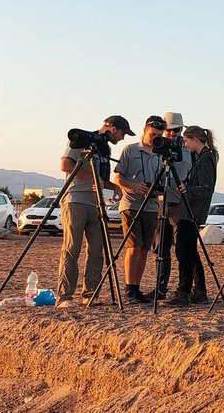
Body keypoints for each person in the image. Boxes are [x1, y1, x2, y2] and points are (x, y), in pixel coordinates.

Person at [54, 116, 130, 308]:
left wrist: (113, 186)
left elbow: (102, 178)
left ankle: (91, 294)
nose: (122, 138)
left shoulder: (106, 148)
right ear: (112, 128)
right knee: (72, 248)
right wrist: (93, 178)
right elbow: (66, 165)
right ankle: (64, 296)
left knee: (97, 250)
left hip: (96, 203)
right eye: (122, 133)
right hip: (75, 199)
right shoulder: (81, 139)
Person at [114, 116, 167, 304]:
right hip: (131, 205)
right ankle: (129, 288)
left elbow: (163, 183)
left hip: (151, 207)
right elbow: (118, 178)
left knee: (144, 248)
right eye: (153, 134)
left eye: (159, 135)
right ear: (145, 130)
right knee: (133, 247)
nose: (155, 138)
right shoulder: (130, 150)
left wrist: (156, 188)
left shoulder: (161, 155)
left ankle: (136, 288)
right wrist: (134, 186)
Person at [164, 125, 217, 306]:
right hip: (191, 210)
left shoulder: (206, 159)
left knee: (183, 252)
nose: (184, 145)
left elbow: (207, 188)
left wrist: (189, 189)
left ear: (195, 139)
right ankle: (199, 290)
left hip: (192, 211)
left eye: (186, 141)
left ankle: (184, 291)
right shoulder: (202, 157)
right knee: (190, 252)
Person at [152, 111, 190, 301]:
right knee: (160, 248)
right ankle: (160, 288)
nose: (173, 134)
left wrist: (189, 185)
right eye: (170, 130)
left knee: (182, 248)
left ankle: (184, 289)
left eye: (177, 130)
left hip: (180, 203)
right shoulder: (157, 145)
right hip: (160, 203)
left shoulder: (187, 147)